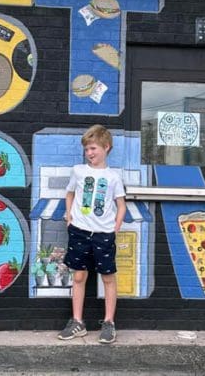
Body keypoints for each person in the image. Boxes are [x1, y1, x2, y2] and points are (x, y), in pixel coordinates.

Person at [57, 125, 127, 344]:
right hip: (79, 231)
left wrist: (114, 228)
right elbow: (69, 194)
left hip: (103, 234)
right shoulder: (78, 171)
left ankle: (109, 322)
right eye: (87, 149)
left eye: (94, 148)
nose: (90, 153)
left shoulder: (113, 177)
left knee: (107, 277)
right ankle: (77, 322)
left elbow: (121, 205)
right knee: (78, 276)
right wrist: (69, 216)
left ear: (106, 147)